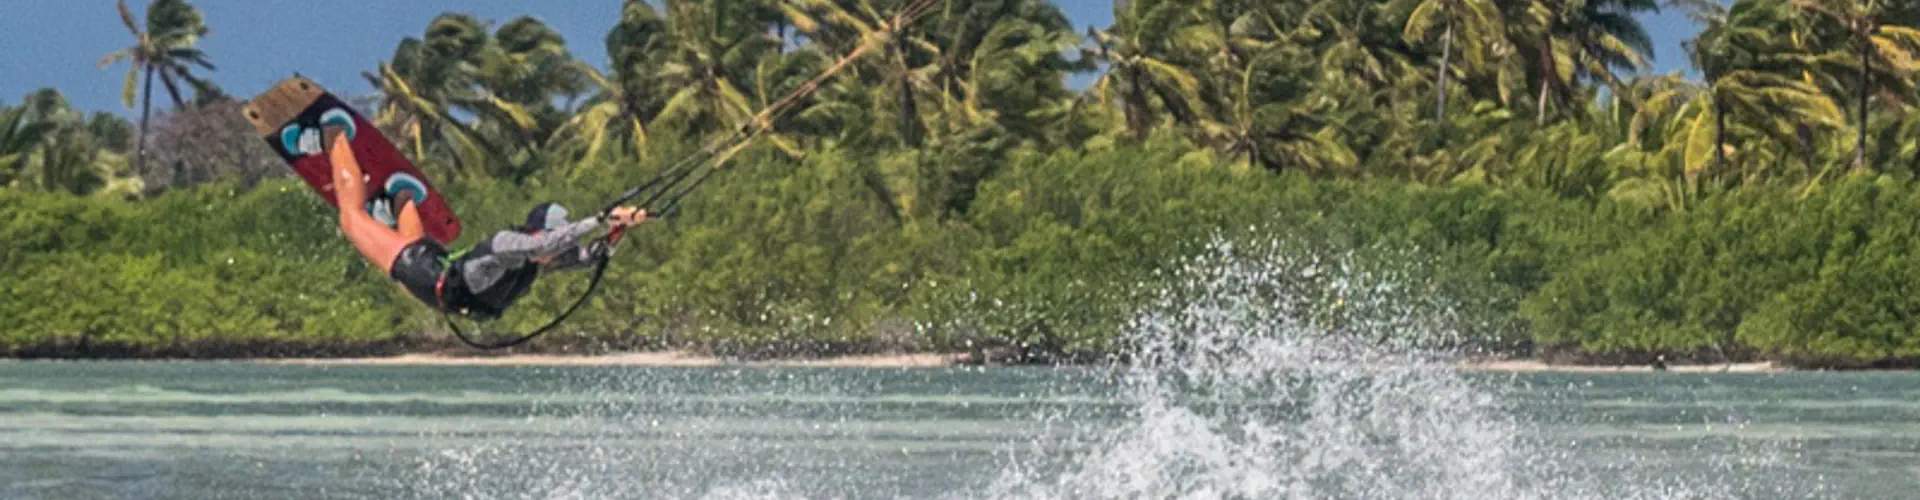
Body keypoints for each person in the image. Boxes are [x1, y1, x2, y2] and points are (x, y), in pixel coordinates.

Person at [320, 128, 647, 319]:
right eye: (555, 238)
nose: (559, 249)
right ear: (534, 230)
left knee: (410, 247)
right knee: (352, 219)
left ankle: (402, 198)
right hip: (427, 274)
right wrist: (602, 218)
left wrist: (620, 229)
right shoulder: (511, 244)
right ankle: (335, 135)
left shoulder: (540, 260)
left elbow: (590, 256)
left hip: (437, 283)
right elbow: (544, 244)